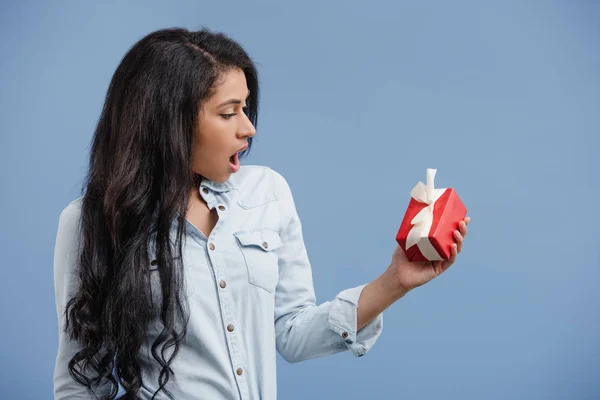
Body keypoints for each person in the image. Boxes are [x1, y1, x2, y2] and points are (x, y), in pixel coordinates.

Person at [53, 27, 470, 400]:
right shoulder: (92, 222)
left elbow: (292, 331)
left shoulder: (267, 192)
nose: (248, 128)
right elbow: (80, 383)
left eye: (246, 108)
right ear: (170, 123)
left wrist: (395, 282)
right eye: (227, 112)